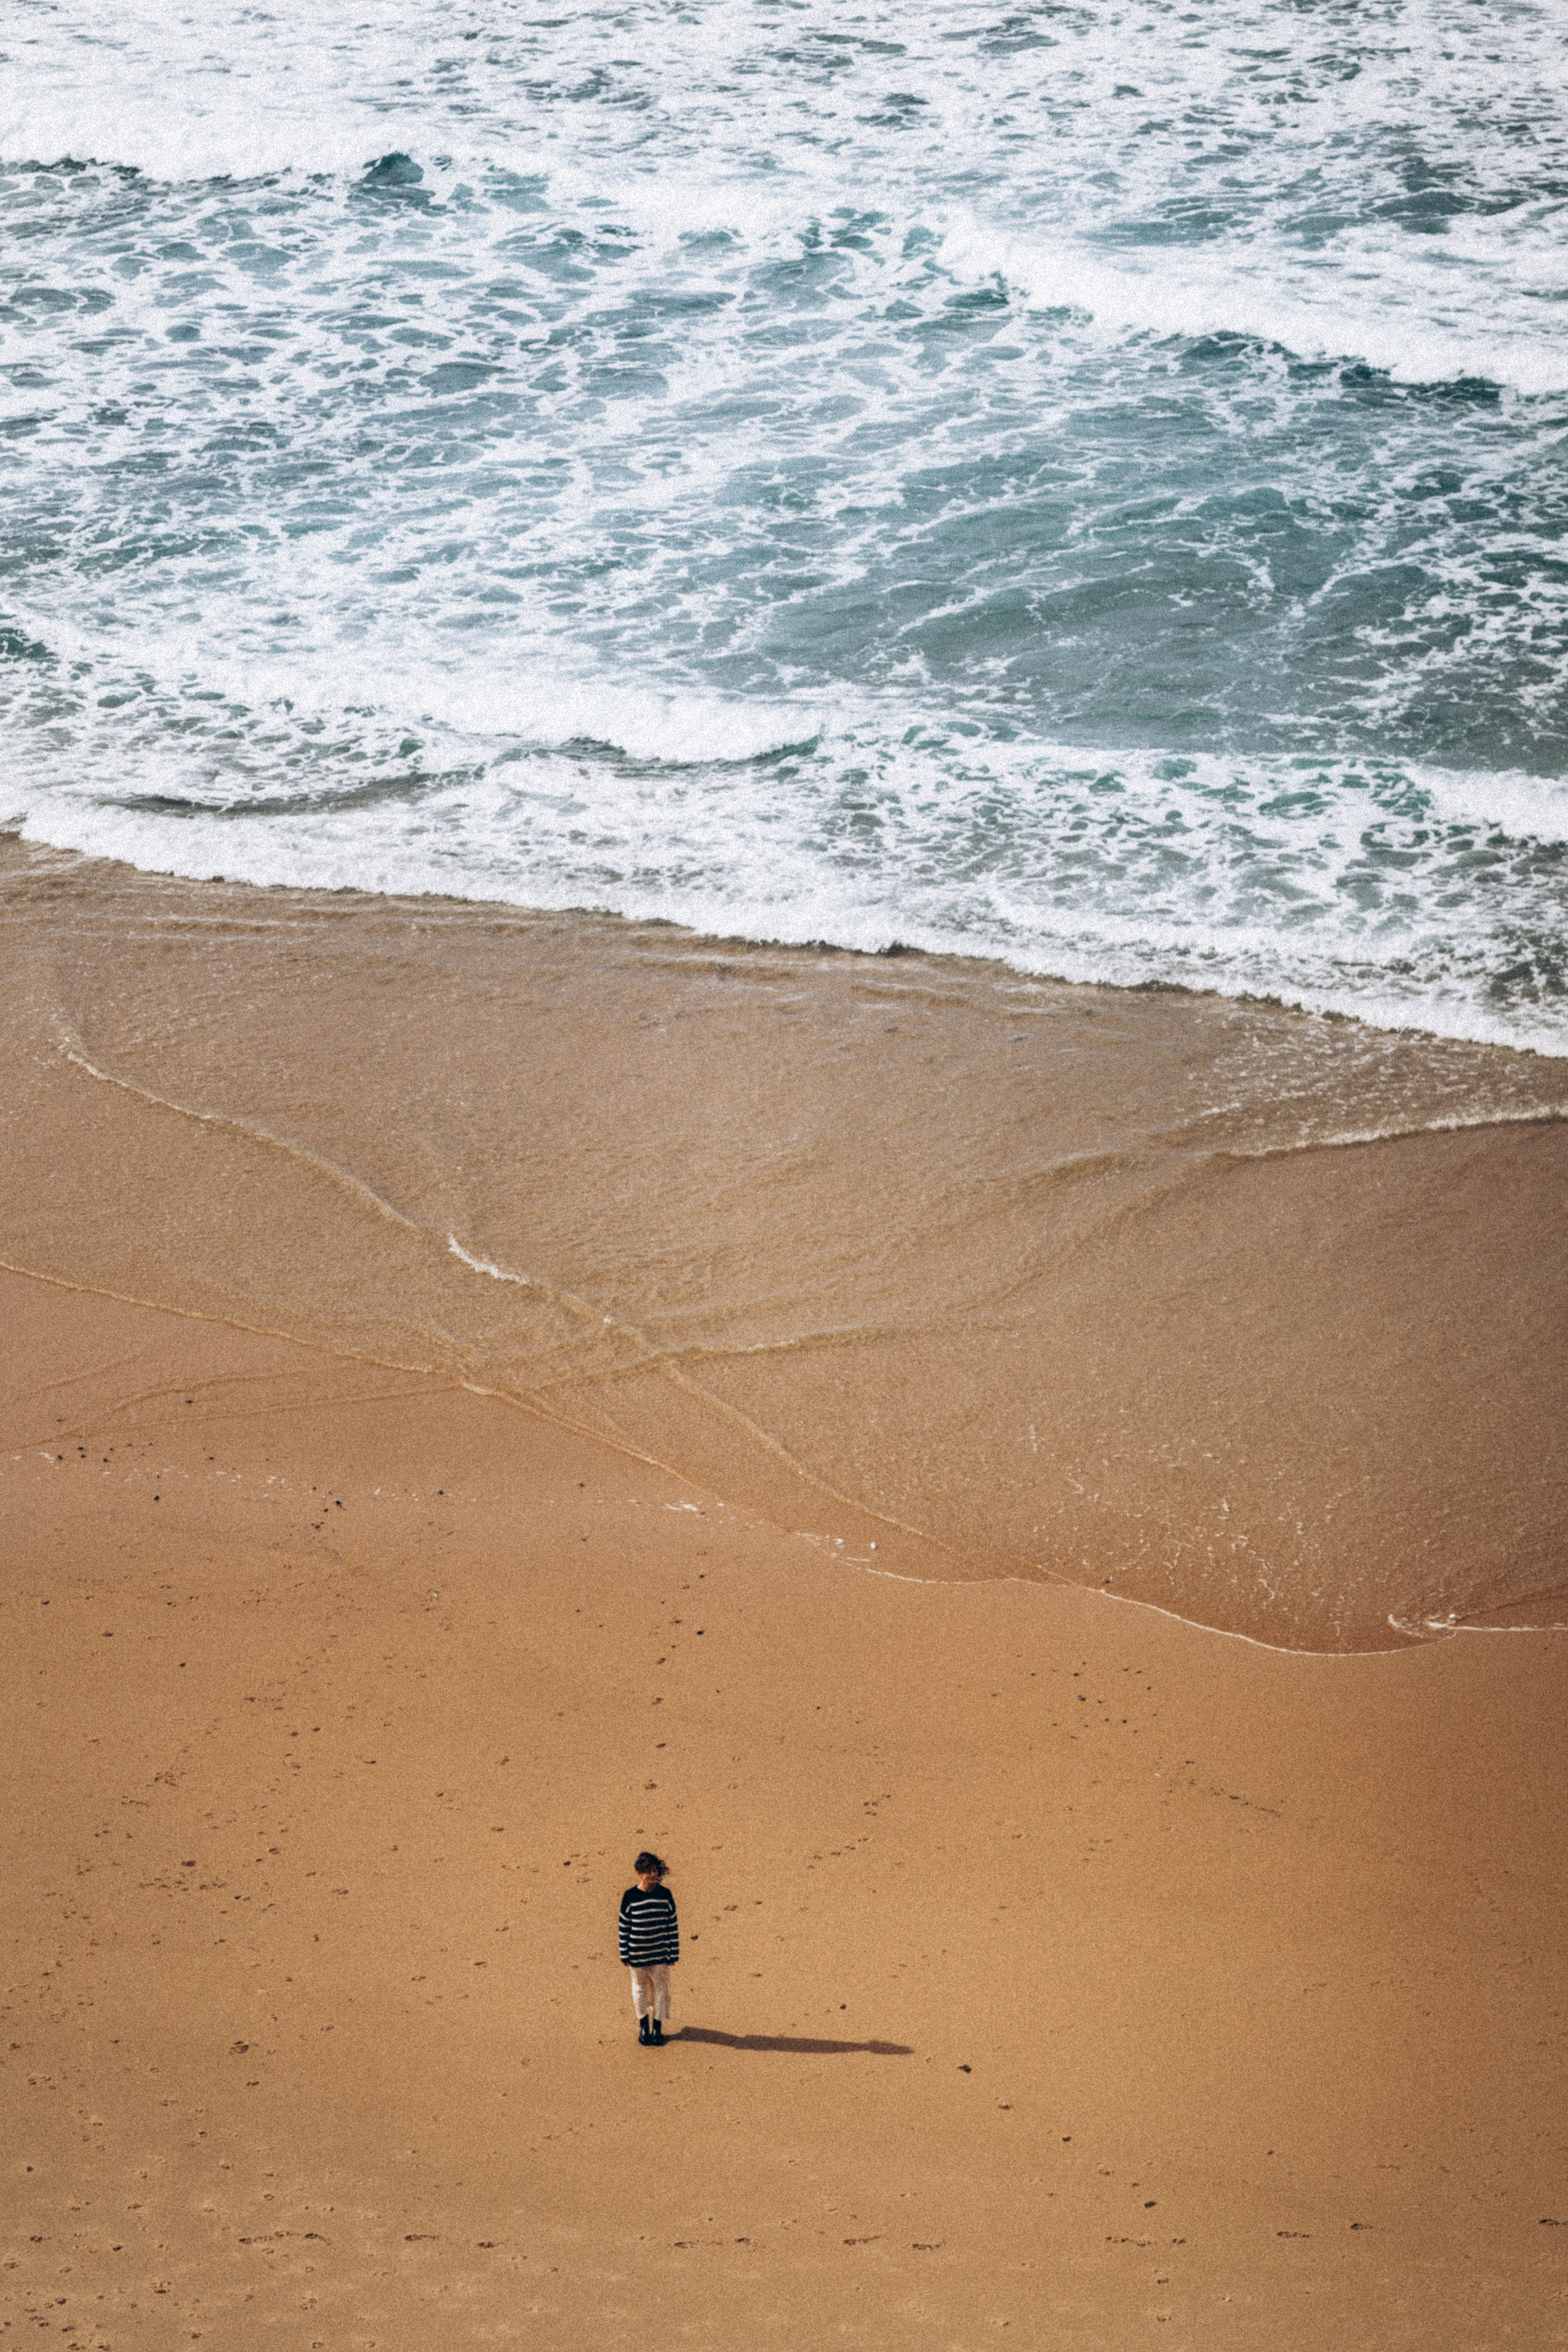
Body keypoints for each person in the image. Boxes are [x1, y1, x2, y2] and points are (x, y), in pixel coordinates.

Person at [619, 1850, 679, 2046]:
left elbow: (672, 1925)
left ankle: (657, 2029)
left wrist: (673, 1952)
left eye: (656, 1871)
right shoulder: (630, 1896)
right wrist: (624, 1953)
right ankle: (644, 2027)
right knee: (639, 1990)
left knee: (661, 1990)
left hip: (660, 1954)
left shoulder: (665, 1895)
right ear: (639, 1873)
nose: (654, 1875)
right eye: (649, 1872)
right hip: (637, 1955)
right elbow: (624, 1926)